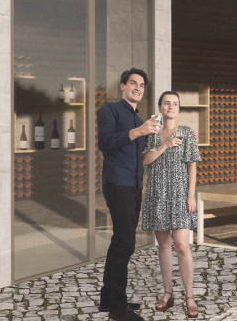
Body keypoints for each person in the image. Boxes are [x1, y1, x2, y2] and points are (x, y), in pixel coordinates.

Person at [97, 68, 161, 321]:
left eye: (142, 85)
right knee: (125, 243)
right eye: (133, 83)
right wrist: (138, 132)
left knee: (119, 243)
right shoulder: (109, 110)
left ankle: (108, 299)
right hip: (117, 184)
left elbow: (143, 159)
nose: (137, 87)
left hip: (134, 185)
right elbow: (105, 143)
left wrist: (162, 142)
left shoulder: (140, 119)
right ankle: (118, 308)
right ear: (123, 86)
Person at [141, 90, 202, 319]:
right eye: (166, 103)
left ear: (178, 108)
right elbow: (146, 160)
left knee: (182, 245)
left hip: (179, 195)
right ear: (160, 107)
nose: (171, 106)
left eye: (175, 103)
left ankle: (189, 296)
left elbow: (192, 164)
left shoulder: (186, 133)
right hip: (158, 194)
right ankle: (168, 293)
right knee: (164, 245)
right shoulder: (153, 133)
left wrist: (191, 195)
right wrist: (165, 145)